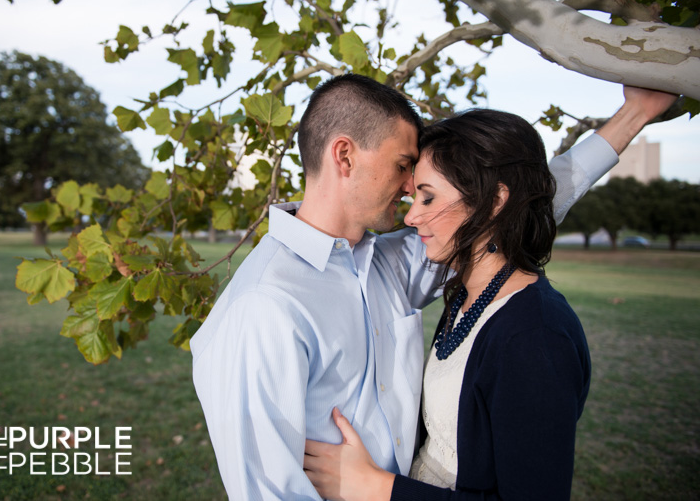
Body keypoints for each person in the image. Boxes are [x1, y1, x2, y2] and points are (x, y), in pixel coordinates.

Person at [190, 73, 675, 500]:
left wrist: (634, 114)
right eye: (404, 165)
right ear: (344, 155)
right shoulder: (263, 305)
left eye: (422, 187)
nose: (408, 191)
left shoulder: (386, 263)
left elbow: (506, 206)